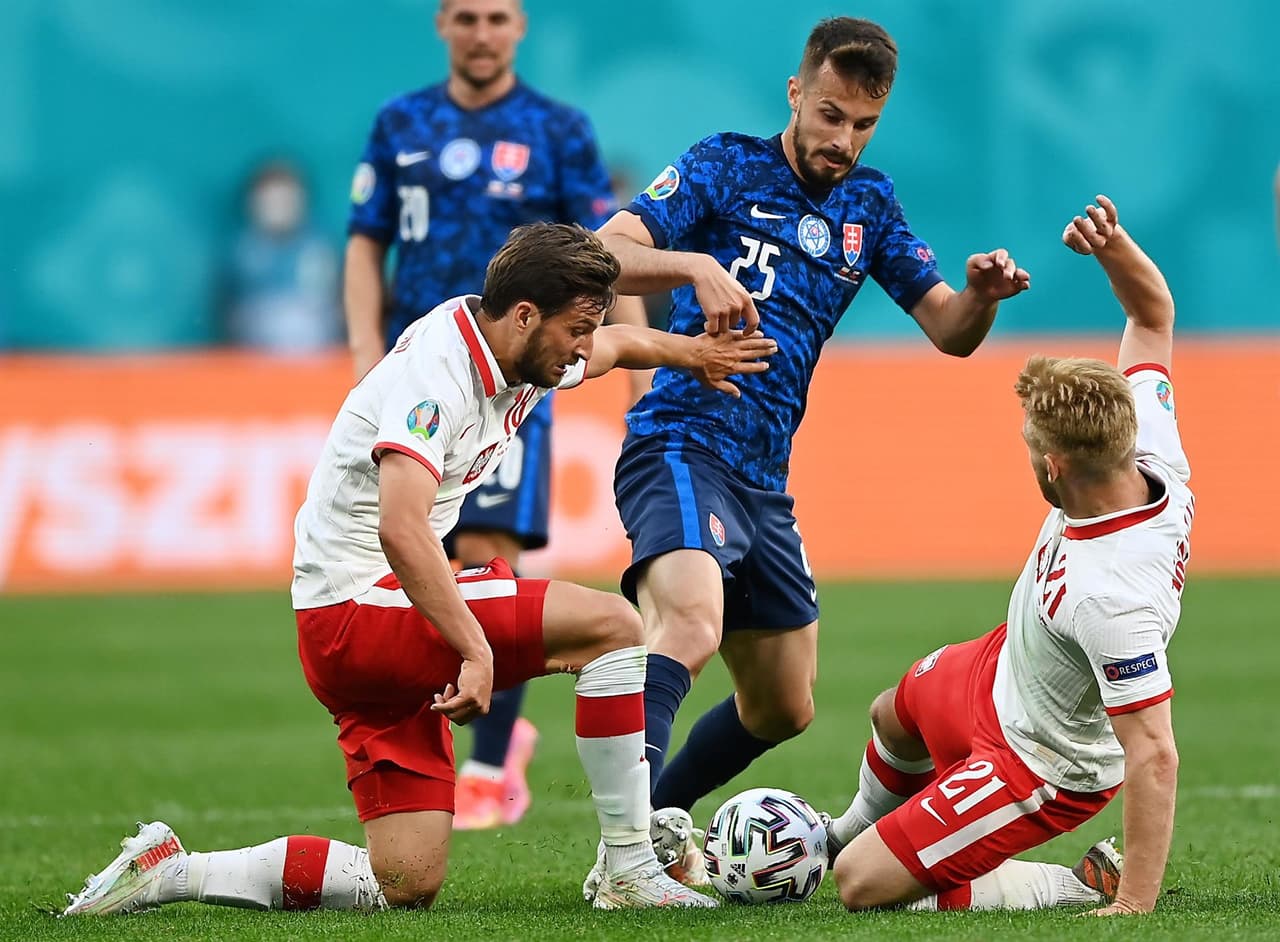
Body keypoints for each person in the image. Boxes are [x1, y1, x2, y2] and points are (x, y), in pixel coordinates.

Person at [61, 224, 776, 918]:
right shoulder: (440, 375)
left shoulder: (526, 346)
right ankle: (630, 867)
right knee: (616, 628)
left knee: (402, 880)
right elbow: (401, 527)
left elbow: (620, 344)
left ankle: (173, 870)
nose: (584, 347)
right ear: (525, 314)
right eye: (576, 328)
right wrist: (472, 647)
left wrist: (693, 355)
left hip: (349, 631)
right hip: (361, 606)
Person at [584, 16, 1030, 894]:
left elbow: (948, 330)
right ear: (796, 93)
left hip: (763, 478)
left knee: (784, 705)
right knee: (691, 621)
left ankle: (655, 819)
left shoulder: (871, 205)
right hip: (680, 438)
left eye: (863, 124)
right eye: (830, 115)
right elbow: (603, 252)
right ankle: (623, 857)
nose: (842, 139)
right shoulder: (723, 163)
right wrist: (692, 269)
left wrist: (979, 297)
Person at [824, 194, 1190, 916]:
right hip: (1003, 671)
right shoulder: (1145, 439)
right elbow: (1152, 318)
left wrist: (1137, 907)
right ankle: (845, 832)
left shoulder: (1111, 593)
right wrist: (1113, 246)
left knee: (861, 887)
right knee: (892, 712)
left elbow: (1154, 753)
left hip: (1041, 758)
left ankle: (1075, 885)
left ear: (1055, 467)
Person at [343, 0, 650, 830]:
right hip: (425, 381)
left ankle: (488, 765)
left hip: (515, 382)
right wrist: (365, 352)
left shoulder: (558, 128)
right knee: (421, 565)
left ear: (520, 29)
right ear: (443, 23)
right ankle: (452, 735)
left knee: (486, 555)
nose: (483, 31)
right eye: (468, 16)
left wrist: (632, 365)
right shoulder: (399, 121)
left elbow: (605, 256)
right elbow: (367, 241)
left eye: (499, 17)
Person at [224, 161, 342, 353]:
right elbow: (228, 310)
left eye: (285, 197)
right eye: (270, 198)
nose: (278, 205)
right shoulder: (241, 252)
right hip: (254, 361)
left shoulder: (321, 246)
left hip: (318, 360)